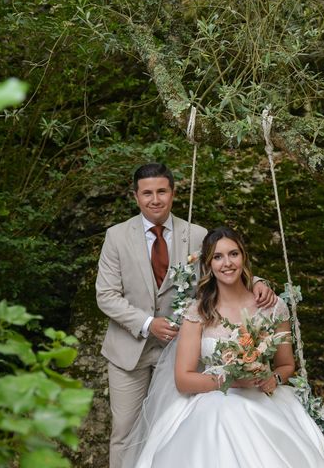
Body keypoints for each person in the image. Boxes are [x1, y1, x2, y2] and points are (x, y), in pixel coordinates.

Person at [95, 164, 277, 468]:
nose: (155, 199)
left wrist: (256, 281)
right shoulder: (116, 237)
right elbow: (106, 295)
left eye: (162, 191)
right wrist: (147, 323)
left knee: (178, 427)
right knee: (125, 432)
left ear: (173, 193)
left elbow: (224, 267)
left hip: (183, 351)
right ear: (136, 196)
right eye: (147, 193)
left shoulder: (195, 234)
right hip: (129, 351)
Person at [122, 227, 324, 467]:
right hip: (214, 399)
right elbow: (183, 380)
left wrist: (274, 378)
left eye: (233, 254)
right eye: (217, 256)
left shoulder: (272, 307)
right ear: (208, 264)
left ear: (243, 256)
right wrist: (232, 381)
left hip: (263, 396)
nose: (227, 263)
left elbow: (286, 365)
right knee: (225, 415)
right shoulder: (198, 312)